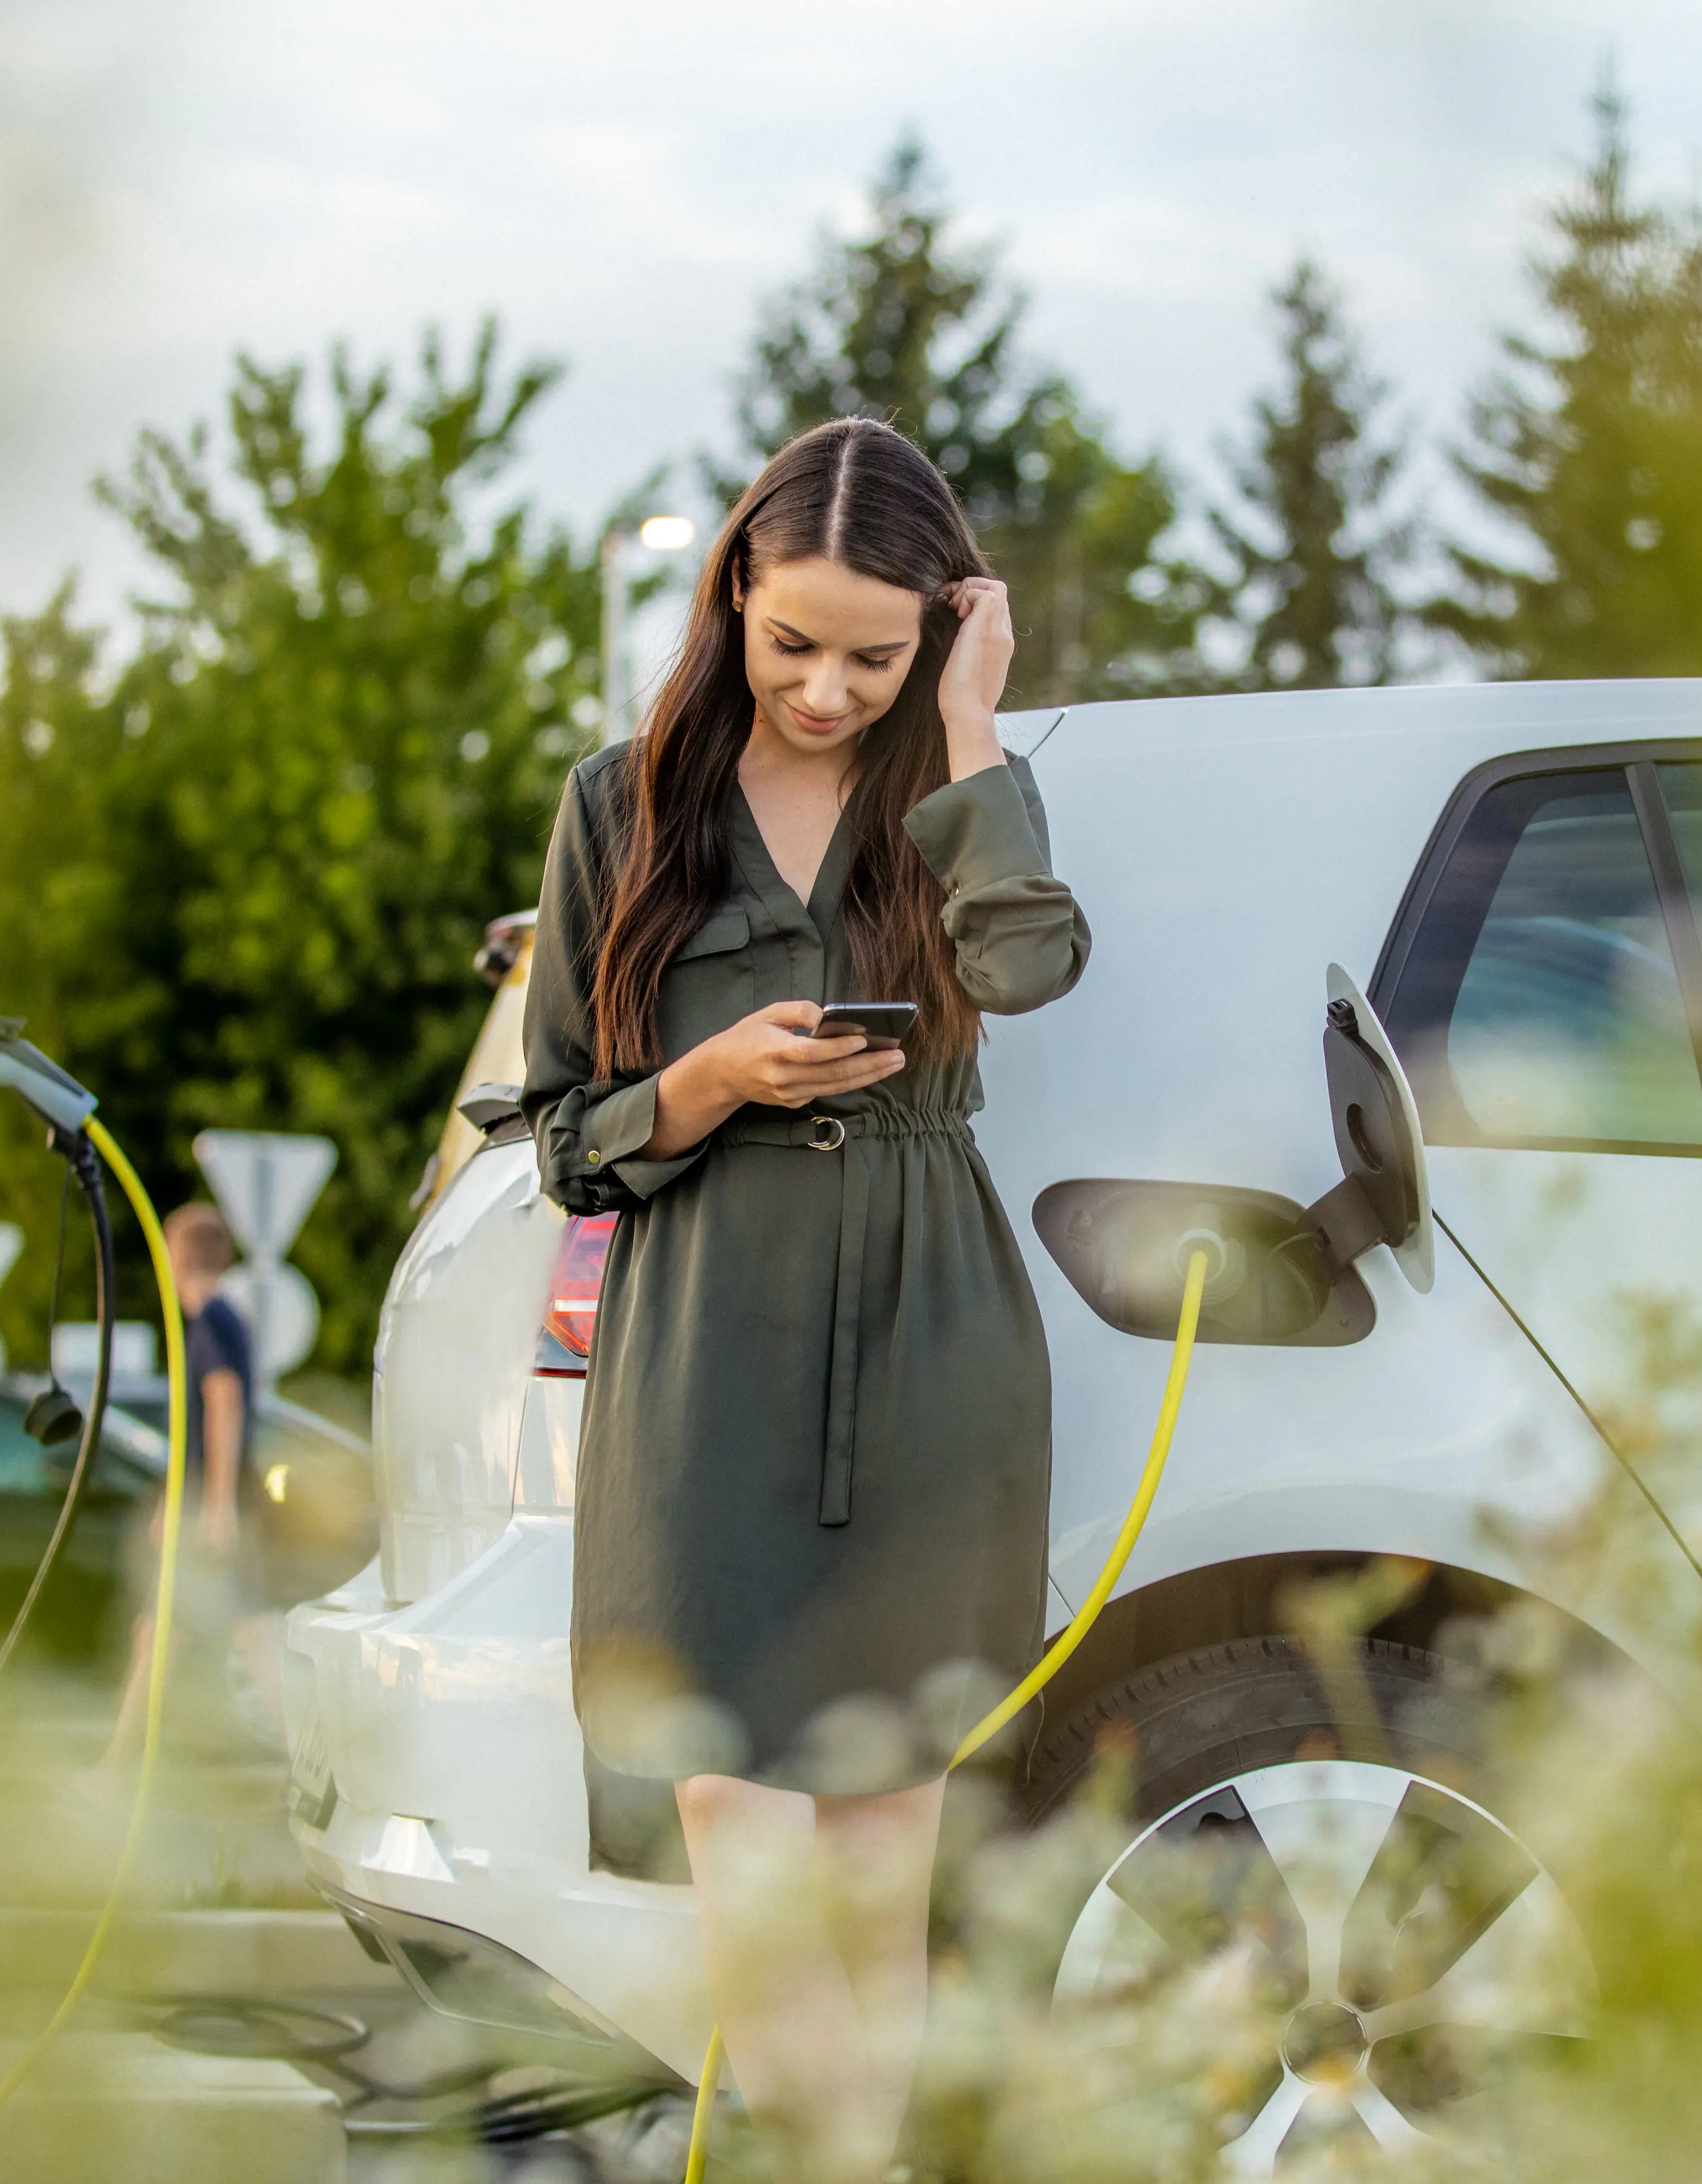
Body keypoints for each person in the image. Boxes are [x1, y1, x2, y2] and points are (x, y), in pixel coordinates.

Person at [520, 416, 1089, 2179]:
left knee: (876, 1869)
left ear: (936, 631)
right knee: (753, 1865)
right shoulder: (622, 803)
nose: (829, 688)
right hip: (705, 1358)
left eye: (878, 652)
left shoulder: (952, 784)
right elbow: (564, 1135)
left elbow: (1030, 964)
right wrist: (710, 1082)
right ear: (734, 593)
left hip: (931, 1343)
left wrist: (976, 723)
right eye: (793, 643)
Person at [106, 1198, 255, 1763]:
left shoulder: (211, 1317)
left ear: (184, 1254)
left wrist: (214, 1505)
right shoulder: (226, 1317)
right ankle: (120, 1764)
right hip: (201, 1500)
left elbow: (223, 1402)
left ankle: (116, 1768)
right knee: (213, 1631)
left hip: (208, 1504)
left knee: (168, 1630)